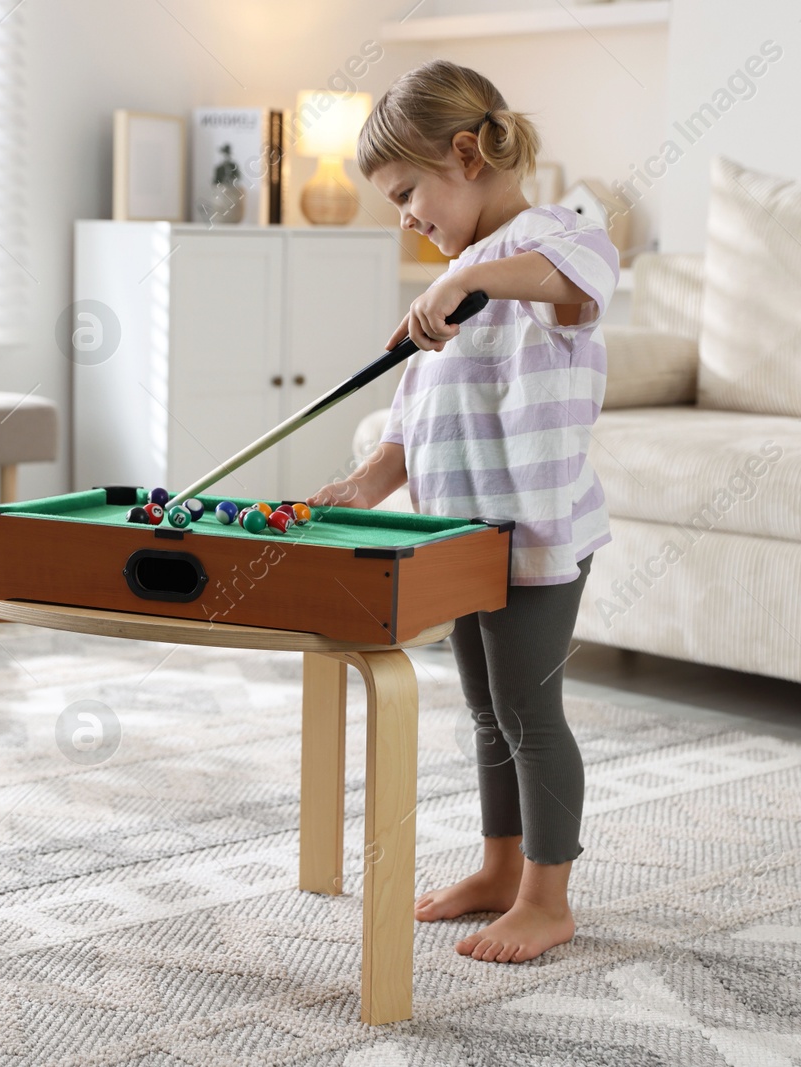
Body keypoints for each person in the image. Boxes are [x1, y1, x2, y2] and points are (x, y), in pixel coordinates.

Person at [308, 59, 619, 964]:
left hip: (535, 535)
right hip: (459, 539)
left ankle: (547, 898)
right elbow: (416, 417)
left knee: (529, 709)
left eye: (409, 193)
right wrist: (367, 484)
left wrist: (460, 284)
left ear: (467, 152)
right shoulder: (455, 289)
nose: (407, 218)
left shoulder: (555, 239)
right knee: (486, 711)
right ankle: (498, 865)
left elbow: (583, 271)